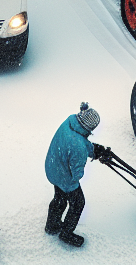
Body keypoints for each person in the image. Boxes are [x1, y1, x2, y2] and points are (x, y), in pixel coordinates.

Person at [44, 102, 106, 248]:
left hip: (53, 167)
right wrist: (85, 156)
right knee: (78, 203)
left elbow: (77, 142)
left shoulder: (70, 121)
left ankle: (51, 225)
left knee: (59, 198)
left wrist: (93, 150)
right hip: (65, 177)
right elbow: (77, 173)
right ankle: (66, 233)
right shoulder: (77, 145)